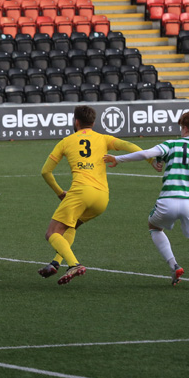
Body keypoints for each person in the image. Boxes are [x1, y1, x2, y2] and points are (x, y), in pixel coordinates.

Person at [104, 111, 189, 289]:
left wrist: (118, 159)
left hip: (168, 200)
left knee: (154, 227)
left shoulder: (171, 144)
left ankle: (174, 265)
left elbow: (145, 154)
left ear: (185, 127)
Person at [37, 105, 151, 285]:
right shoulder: (104, 139)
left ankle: (74, 264)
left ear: (76, 121)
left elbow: (45, 172)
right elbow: (128, 145)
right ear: (93, 122)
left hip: (81, 192)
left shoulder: (66, 141)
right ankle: (55, 263)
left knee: (52, 232)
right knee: (71, 226)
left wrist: (60, 193)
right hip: (102, 198)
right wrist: (151, 158)